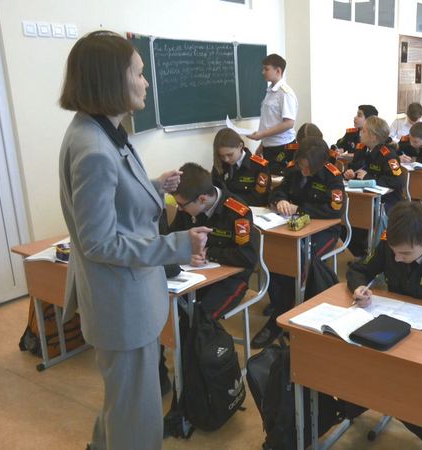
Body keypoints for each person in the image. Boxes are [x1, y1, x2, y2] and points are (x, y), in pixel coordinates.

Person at [58, 31, 209, 450]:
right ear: (112, 80)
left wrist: (153, 184)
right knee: (137, 413)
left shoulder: (98, 130)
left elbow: (115, 199)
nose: (146, 83)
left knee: (124, 402)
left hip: (121, 297)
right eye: (139, 74)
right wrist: (177, 245)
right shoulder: (94, 148)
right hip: (121, 302)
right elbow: (100, 242)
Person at [347, 201, 422, 441]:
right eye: (394, 251)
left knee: (409, 395)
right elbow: (359, 269)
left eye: (404, 254)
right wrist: (359, 287)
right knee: (353, 366)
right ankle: (356, 401)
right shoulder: (392, 243)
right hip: (387, 329)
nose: (396, 257)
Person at [251, 136, 345, 348]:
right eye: (302, 165)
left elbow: (335, 210)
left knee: (301, 257)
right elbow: (277, 191)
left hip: (324, 231)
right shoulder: (293, 170)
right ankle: (282, 305)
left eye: (308, 167)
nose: (304, 170)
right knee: (276, 254)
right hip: (292, 227)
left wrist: (300, 209)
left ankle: (282, 314)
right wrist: (280, 200)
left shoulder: (332, 176)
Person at [169, 162, 258, 319]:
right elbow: (172, 238)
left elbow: (247, 256)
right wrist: (187, 253)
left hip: (231, 279)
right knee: (169, 305)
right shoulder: (188, 206)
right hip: (196, 274)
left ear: (202, 199)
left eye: (182, 205)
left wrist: (209, 253)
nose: (180, 209)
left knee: (202, 316)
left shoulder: (237, 212)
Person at [343, 116, 405, 256]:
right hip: (366, 197)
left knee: (359, 214)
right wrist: (351, 174)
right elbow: (358, 169)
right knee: (346, 215)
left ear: (373, 137)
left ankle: (369, 253)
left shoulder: (388, 155)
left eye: (364, 131)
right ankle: (361, 252)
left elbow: (397, 181)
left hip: (387, 201)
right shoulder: (364, 150)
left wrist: (368, 178)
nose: (360, 133)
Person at [247, 53, 298, 176]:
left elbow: (289, 123)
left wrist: (261, 135)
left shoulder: (285, 93)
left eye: (266, 69)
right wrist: (262, 144)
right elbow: (270, 122)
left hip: (282, 146)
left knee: (279, 179)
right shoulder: (270, 91)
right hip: (269, 145)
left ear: (278, 71)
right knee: (269, 178)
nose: (263, 72)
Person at [211, 128, 271, 207]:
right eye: (222, 156)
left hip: (251, 209)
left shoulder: (259, 166)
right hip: (225, 209)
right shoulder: (219, 164)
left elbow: (259, 198)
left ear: (240, 146)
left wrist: (229, 201)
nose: (226, 159)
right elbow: (214, 191)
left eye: (230, 155)